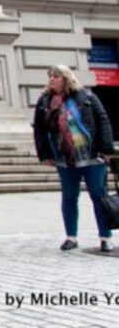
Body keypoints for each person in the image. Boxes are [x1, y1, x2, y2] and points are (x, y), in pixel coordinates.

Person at [33, 64, 116, 252]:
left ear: (66, 78)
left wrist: (106, 149)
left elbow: (103, 120)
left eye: (56, 76)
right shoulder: (45, 101)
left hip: (92, 157)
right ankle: (71, 237)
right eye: (50, 76)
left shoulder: (86, 97)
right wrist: (44, 154)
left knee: (99, 197)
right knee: (69, 197)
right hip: (65, 159)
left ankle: (105, 237)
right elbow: (39, 129)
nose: (52, 79)